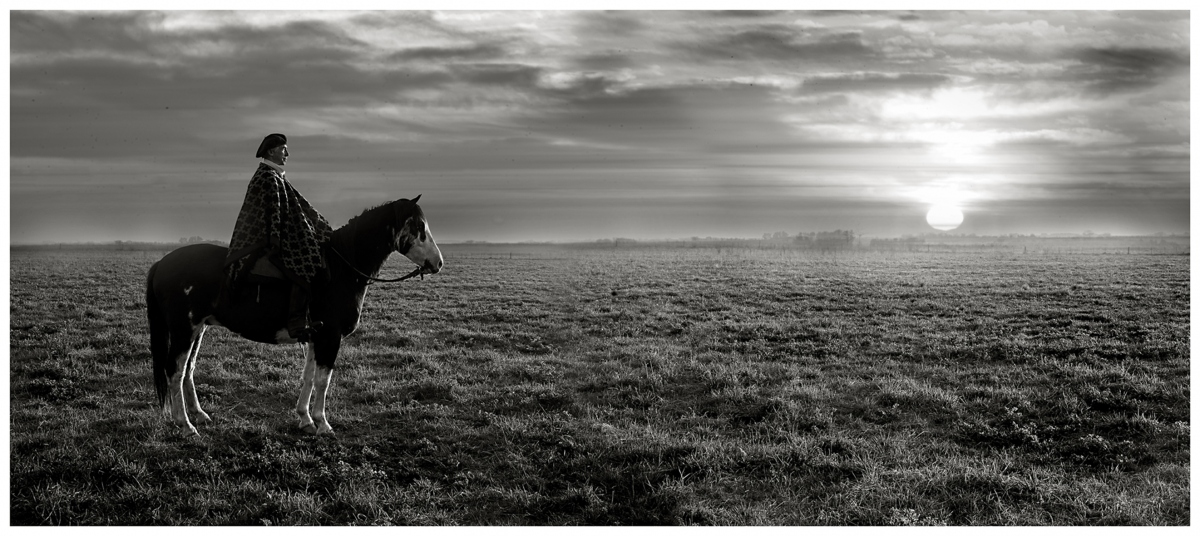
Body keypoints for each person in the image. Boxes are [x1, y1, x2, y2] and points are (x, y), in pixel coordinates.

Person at [225, 133, 332, 342]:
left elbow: (298, 206)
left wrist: (319, 227)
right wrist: (282, 237)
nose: (287, 154)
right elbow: (271, 214)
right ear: (271, 151)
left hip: (279, 236)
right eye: (284, 149)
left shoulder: (276, 175)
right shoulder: (266, 176)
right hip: (264, 240)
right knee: (305, 262)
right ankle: (296, 322)